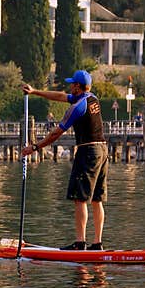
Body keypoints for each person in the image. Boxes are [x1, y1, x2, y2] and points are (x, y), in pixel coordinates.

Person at [22, 70, 108, 251]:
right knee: (96, 199)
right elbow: (61, 96)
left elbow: (56, 133)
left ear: (78, 86)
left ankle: (80, 243)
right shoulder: (92, 98)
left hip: (88, 152)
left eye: (72, 84)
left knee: (80, 199)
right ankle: (97, 244)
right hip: (103, 150)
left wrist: (35, 147)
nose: (70, 87)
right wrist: (35, 91)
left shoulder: (77, 107)